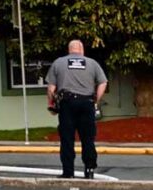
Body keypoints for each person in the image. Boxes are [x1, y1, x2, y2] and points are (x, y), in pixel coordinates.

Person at [45, 39, 107, 179]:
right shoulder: (92, 63)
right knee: (88, 139)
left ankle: (68, 172)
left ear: (69, 50)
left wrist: (52, 104)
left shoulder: (59, 62)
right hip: (87, 103)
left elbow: (51, 88)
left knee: (67, 139)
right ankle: (89, 170)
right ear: (82, 50)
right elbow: (103, 82)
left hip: (67, 104)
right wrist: (96, 98)